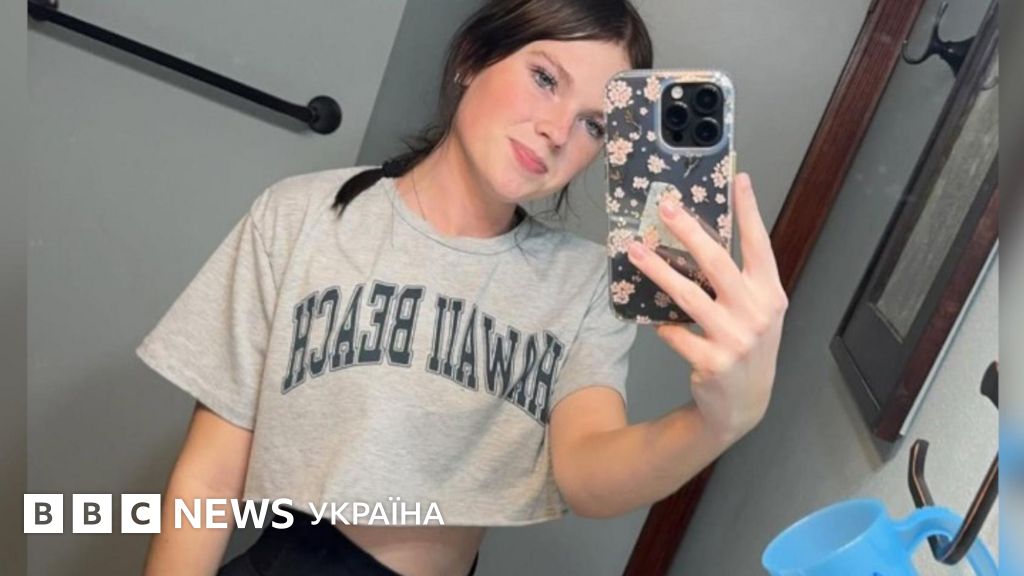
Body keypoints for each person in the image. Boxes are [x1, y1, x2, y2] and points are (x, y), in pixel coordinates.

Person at [134, 0, 788, 574]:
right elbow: (209, 477)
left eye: (594, 124)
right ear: (472, 58)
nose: (557, 131)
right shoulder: (301, 217)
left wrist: (715, 423)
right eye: (544, 78)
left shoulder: (583, 282)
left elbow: (589, 473)